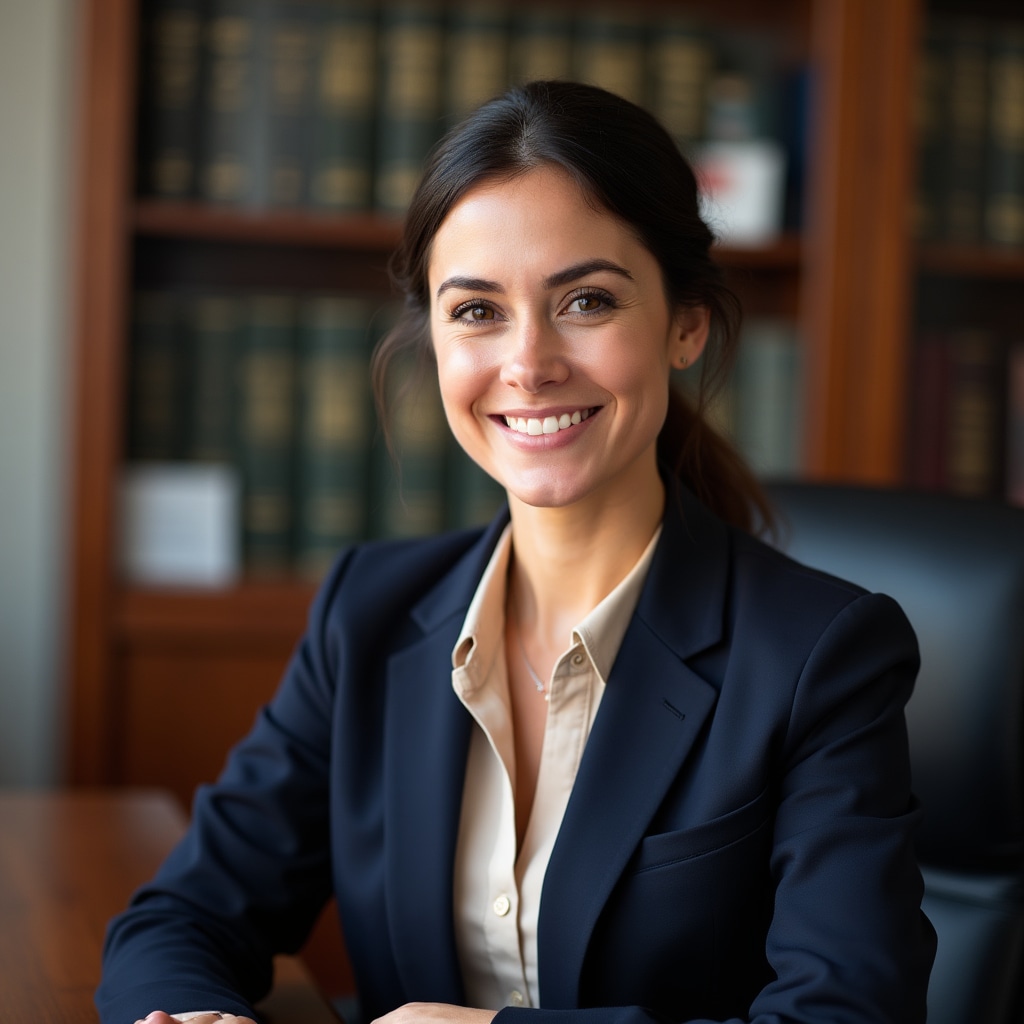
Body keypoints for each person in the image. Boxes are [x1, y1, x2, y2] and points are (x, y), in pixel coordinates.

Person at [97, 81, 935, 1024]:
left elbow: (849, 1015)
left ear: (686, 323)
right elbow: (180, 920)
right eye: (477, 311)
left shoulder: (820, 655)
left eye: (586, 300)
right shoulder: (367, 614)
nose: (528, 364)